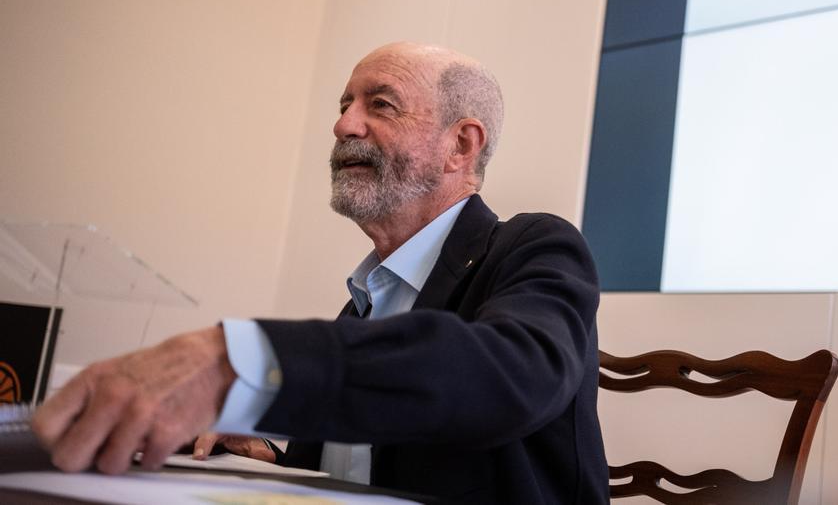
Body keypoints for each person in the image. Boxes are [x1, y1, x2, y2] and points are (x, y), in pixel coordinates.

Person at [32, 42, 609, 504]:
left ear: (461, 143)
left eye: (380, 105)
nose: (343, 126)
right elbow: (372, 469)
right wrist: (277, 459)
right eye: (343, 106)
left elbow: (510, 377)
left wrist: (237, 362)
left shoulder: (536, 246)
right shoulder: (369, 293)